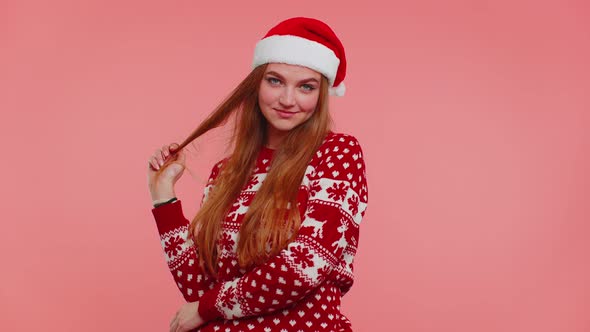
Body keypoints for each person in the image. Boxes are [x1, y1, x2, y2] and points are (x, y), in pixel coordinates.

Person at [146, 17, 368, 332]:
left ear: (321, 95)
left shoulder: (336, 153)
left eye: (306, 86)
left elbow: (307, 263)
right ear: (256, 83)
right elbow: (199, 290)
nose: (288, 99)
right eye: (275, 81)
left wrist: (210, 306)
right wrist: (163, 196)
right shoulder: (226, 172)